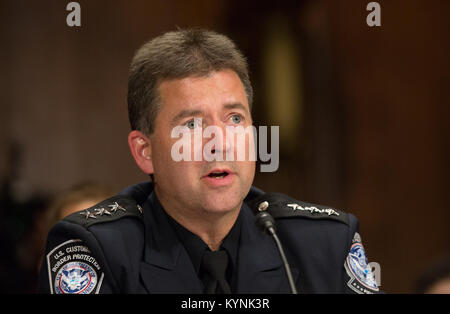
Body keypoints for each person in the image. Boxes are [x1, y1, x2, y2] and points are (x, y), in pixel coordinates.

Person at [38, 28, 379, 294]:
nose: (220, 143)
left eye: (234, 119)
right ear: (145, 151)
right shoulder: (96, 249)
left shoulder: (325, 243)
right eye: (192, 125)